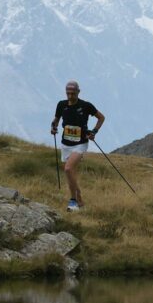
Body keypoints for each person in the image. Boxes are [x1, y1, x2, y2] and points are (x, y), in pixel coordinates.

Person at [50, 80, 105, 212]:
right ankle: (79, 198)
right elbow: (56, 120)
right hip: (65, 144)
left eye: (73, 93)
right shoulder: (61, 104)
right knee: (71, 173)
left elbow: (101, 117)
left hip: (80, 144)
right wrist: (53, 127)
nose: (70, 96)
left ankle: (73, 202)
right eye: (68, 93)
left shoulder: (86, 106)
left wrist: (94, 131)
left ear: (78, 92)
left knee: (68, 169)